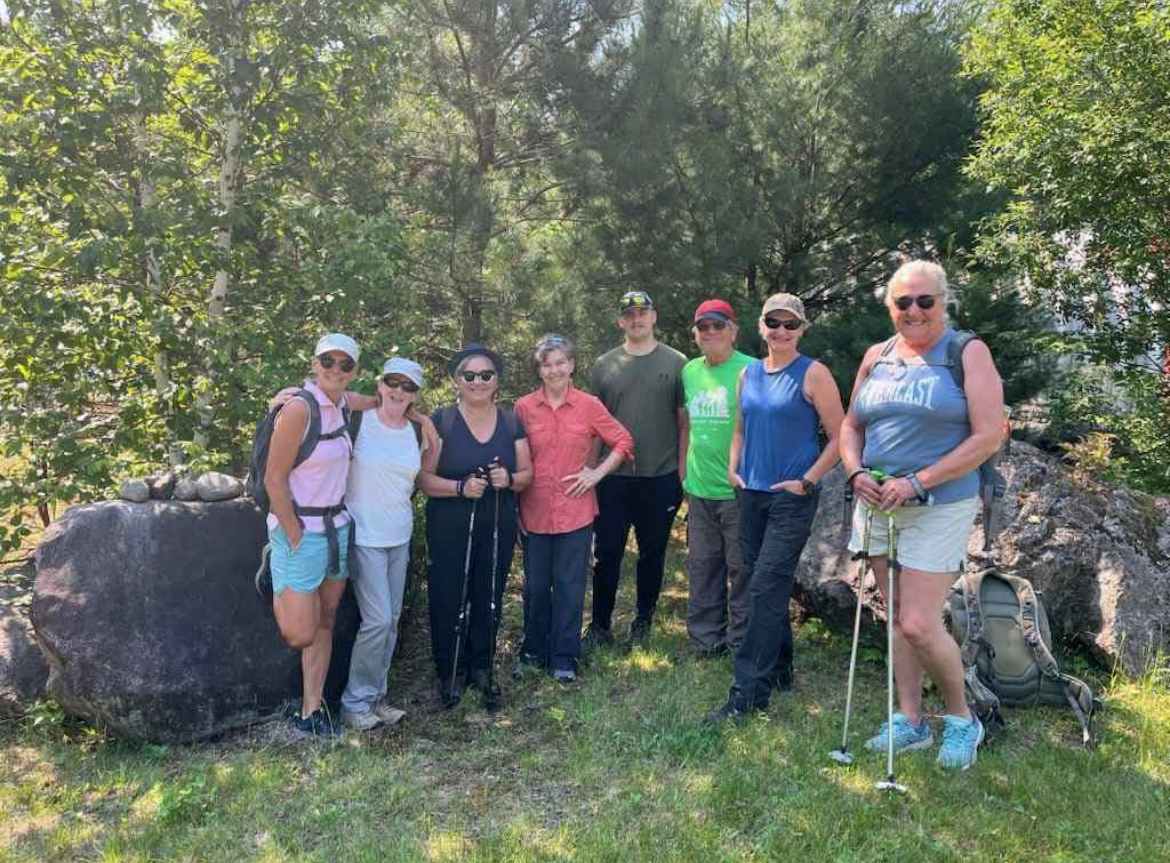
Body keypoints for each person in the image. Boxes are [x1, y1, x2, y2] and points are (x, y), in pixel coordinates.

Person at [840, 260, 1004, 770]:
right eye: (902, 302)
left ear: (944, 303)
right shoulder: (877, 356)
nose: (913, 311)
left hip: (938, 503)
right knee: (896, 617)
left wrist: (918, 481)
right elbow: (851, 426)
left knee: (917, 620)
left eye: (924, 301)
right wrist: (854, 473)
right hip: (878, 501)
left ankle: (962, 720)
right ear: (890, 307)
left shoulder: (966, 352)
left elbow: (988, 434)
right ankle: (909, 722)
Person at [708, 294, 844, 720]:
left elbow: (842, 438)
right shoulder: (748, 374)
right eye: (774, 322)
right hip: (750, 494)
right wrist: (733, 468)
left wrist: (806, 482)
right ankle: (781, 669)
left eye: (791, 324)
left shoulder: (814, 374)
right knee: (763, 582)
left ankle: (747, 694)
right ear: (761, 326)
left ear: (802, 329)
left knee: (764, 588)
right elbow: (740, 430)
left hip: (792, 497)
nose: (782, 331)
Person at [417, 344, 532, 708]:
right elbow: (424, 480)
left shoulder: (512, 421)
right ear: (457, 380)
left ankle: (482, 667)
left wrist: (509, 478)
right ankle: (450, 670)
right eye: (470, 375)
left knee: (488, 594)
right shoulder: (442, 421)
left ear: (497, 380)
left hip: (497, 522)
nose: (478, 382)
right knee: (448, 596)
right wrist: (459, 488)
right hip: (449, 524)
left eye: (486, 375)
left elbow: (527, 475)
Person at [514, 335, 634, 683]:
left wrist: (596, 473)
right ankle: (533, 651)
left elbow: (624, 440)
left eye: (560, 362)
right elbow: (516, 458)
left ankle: (564, 657)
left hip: (575, 511)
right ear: (539, 369)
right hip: (533, 511)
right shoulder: (524, 407)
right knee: (536, 588)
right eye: (546, 364)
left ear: (572, 364)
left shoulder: (589, 405)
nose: (554, 370)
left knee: (569, 586)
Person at [264, 333, 359, 738]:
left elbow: (380, 402)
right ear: (315, 363)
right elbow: (273, 478)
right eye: (328, 361)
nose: (335, 370)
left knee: (327, 619)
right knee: (299, 631)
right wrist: (293, 534)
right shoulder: (300, 408)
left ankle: (312, 709)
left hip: (338, 528)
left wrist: (420, 417)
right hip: (302, 531)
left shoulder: (342, 405)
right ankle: (273, 569)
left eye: (344, 364)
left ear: (355, 372)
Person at [586, 290, 688, 648]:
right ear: (620, 322)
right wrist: (590, 470)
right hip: (612, 479)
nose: (637, 319)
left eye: (643, 313)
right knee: (607, 553)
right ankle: (599, 625)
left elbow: (683, 423)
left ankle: (643, 619)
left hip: (659, 477)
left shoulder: (677, 363)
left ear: (654, 317)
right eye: (629, 315)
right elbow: (594, 425)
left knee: (652, 552)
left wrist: (681, 474)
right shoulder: (604, 364)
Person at [338, 357, 427, 732]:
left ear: (415, 394)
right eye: (393, 382)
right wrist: (285, 394)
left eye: (408, 386)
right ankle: (353, 702)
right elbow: (321, 395)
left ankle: (378, 698)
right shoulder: (358, 421)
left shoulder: (418, 431)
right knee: (376, 620)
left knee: (390, 620)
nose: (399, 391)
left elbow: (422, 478)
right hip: (365, 535)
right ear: (380, 384)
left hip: (399, 535)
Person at [678, 300, 754, 658]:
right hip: (699, 488)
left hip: (739, 490)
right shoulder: (690, 371)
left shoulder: (753, 370)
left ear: (733, 331)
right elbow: (687, 424)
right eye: (703, 327)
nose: (710, 333)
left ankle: (742, 642)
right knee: (703, 567)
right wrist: (683, 470)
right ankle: (706, 642)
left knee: (741, 570)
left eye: (717, 326)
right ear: (695, 334)